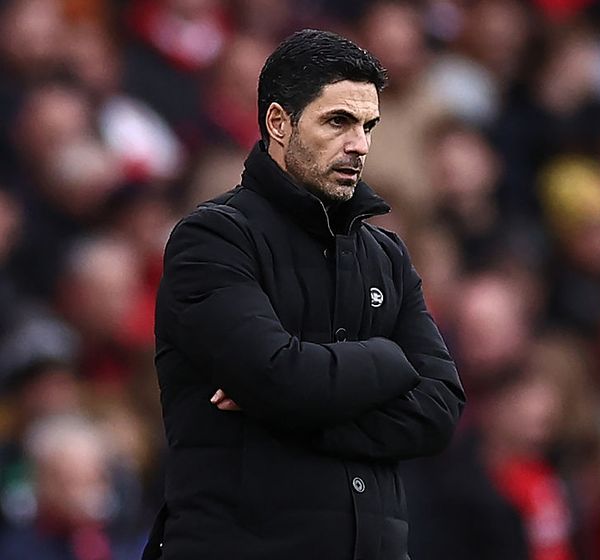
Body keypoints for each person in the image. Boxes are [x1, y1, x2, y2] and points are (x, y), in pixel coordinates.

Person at [142, 29, 465, 559]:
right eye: (338, 121)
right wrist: (387, 360)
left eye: (368, 126)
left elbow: (439, 411)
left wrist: (286, 410)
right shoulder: (214, 238)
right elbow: (279, 378)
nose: (359, 143)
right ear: (278, 122)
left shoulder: (386, 256)